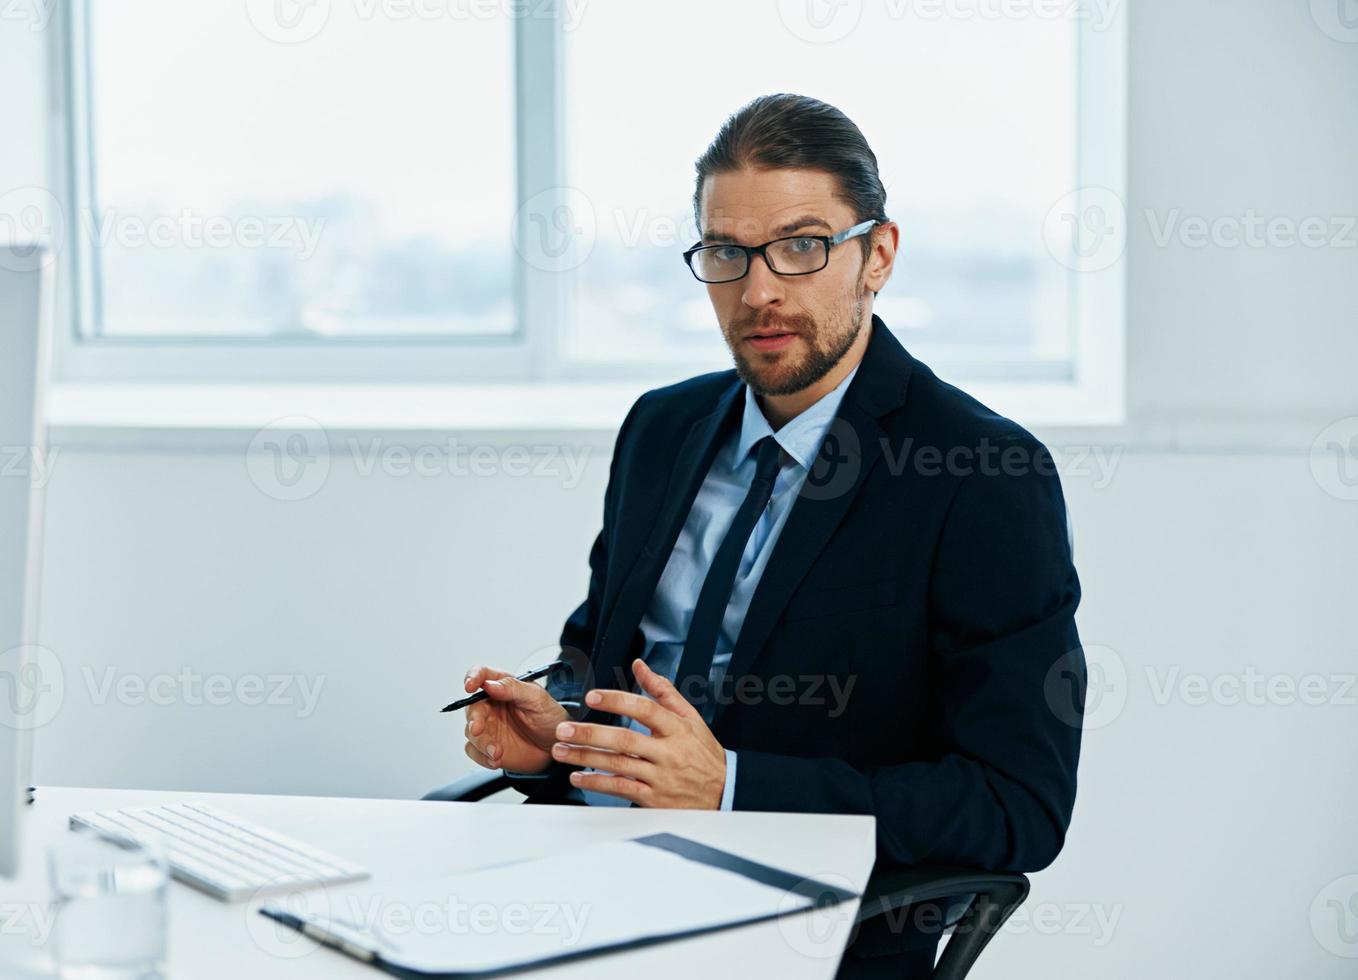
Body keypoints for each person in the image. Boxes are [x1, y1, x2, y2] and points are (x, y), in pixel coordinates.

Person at [458, 93, 1085, 979]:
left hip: (801, 929)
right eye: (726, 253)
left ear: (878, 256)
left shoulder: (981, 472)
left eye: (802, 246)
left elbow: (1016, 804)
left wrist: (731, 788)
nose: (758, 291)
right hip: (594, 882)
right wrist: (559, 732)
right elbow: (597, 654)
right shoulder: (660, 430)